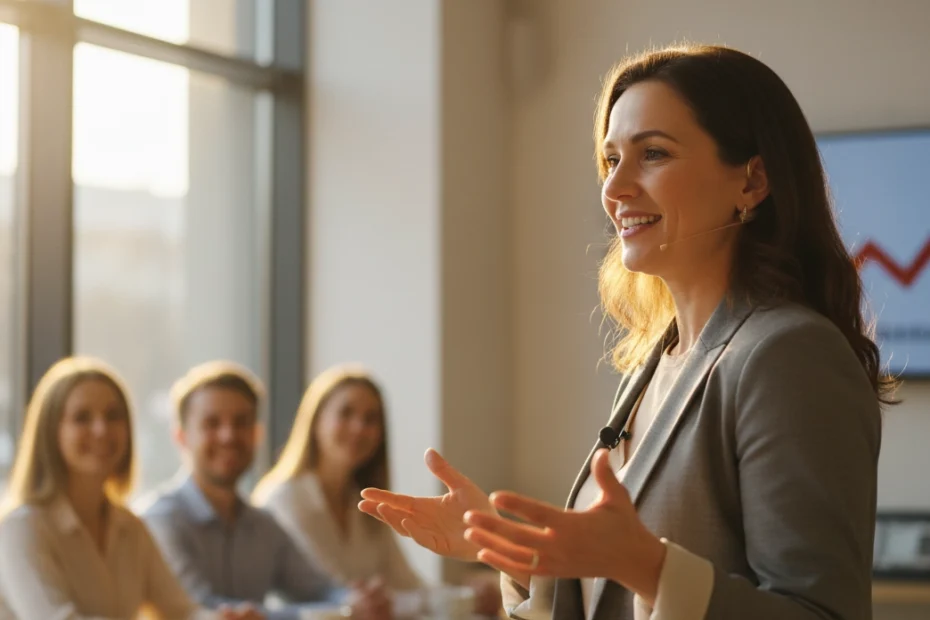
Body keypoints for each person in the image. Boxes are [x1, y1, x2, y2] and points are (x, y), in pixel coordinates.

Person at [359, 44, 893, 620]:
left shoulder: (788, 354)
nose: (615, 189)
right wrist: (515, 552)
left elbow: (822, 613)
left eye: (654, 154)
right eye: (611, 160)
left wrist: (651, 569)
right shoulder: (655, 365)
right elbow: (609, 593)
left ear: (753, 181)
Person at [139, 361, 392, 620]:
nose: (228, 435)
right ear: (181, 437)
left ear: (257, 434)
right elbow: (198, 609)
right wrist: (340, 612)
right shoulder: (160, 519)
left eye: (241, 422)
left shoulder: (263, 525)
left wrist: (353, 600)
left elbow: (320, 587)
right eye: (212, 423)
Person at [0, 356, 238, 619]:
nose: (101, 429)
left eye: (113, 416)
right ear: (51, 433)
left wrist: (221, 619)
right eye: (82, 418)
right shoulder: (20, 528)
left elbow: (180, 610)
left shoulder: (129, 526)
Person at [253, 365, 501, 616]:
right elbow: (343, 597)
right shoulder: (285, 500)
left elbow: (408, 583)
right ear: (316, 420)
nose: (359, 427)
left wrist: (469, 597)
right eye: (346, 413)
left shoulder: (364, 501)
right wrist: (461, 600)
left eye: (370, 419)